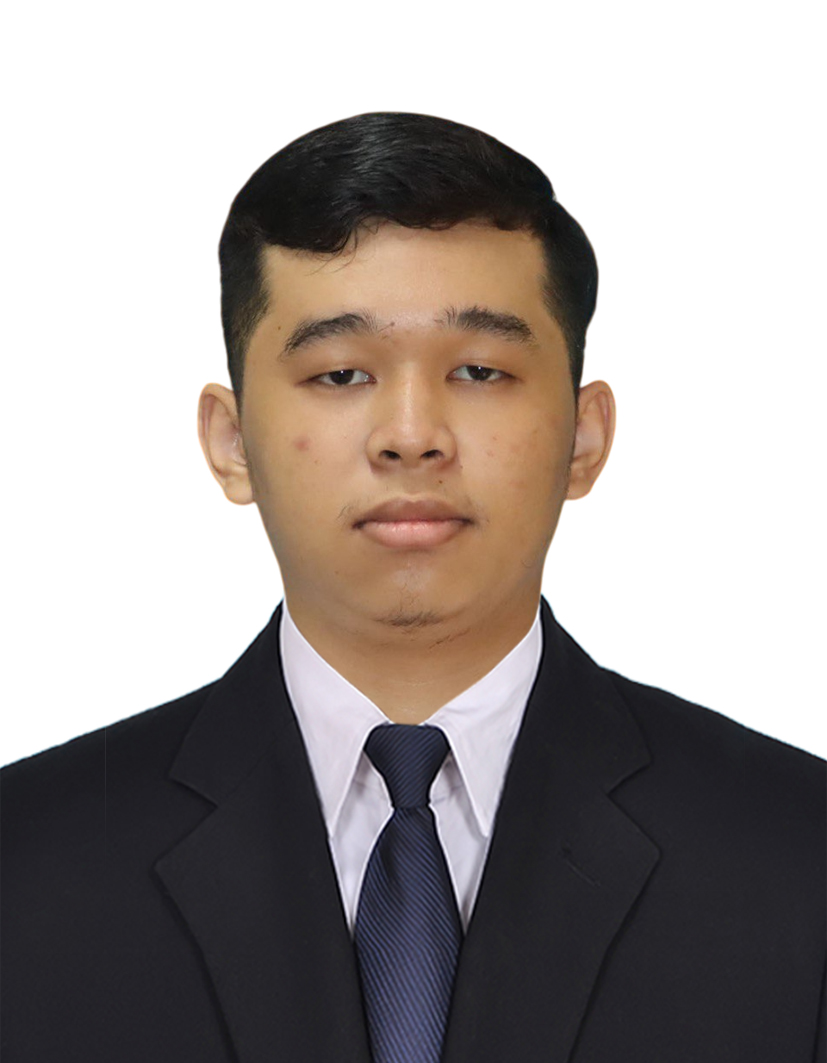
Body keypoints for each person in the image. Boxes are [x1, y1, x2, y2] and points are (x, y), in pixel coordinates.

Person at [1, 111, 824, 1063]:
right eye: (340, 373)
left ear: (584, 437)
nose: (410, 434)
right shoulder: (27, 863)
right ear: (231, 442)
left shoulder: (796, 854)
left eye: (478, 369)